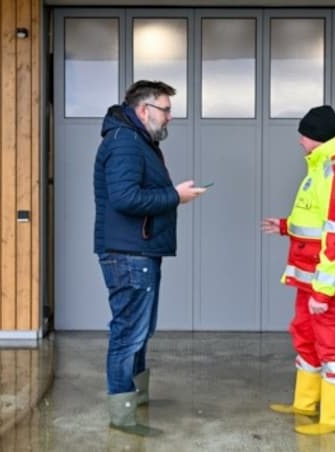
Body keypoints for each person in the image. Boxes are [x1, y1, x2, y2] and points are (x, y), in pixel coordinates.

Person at [94, 80, 206, 436]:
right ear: (144, 110)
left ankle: (136, 397)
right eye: (166, 109)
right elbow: (126, 198)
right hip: (129, 253)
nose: (170, 117)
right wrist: (175, 196)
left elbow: (138, 192)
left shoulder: (138, 140)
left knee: (141, 330)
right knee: (128, 333)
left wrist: (175, 194)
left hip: (139, 251)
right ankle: (122, 414)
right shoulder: (126, 142)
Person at [261, 105, 335, 435]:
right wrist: (284, 226)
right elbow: (316, 220)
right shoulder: (322, 166)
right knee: (305, 334)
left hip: (328, 282)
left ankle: (332, 420)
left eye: (304, 135)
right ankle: (305, 404)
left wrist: (324, 291)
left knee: (331, 344)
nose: (299, 141)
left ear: (318, 137)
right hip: (310, 275)